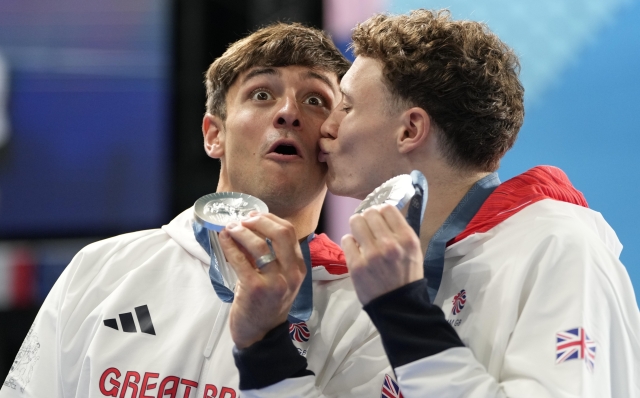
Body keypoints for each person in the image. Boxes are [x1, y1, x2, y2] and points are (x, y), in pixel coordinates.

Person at [0, 23, 394, 398]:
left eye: (315, 100)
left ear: (334, 140)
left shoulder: (368, 313)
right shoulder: (101, 268)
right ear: (214, 134)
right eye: (261, 94)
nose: (288, 112)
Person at [319, 9, 640, 398]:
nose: (327, 126)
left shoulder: (559, 248)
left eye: (347, 107)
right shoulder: (398, 275)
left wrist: (404, 315)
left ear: (410, 130)